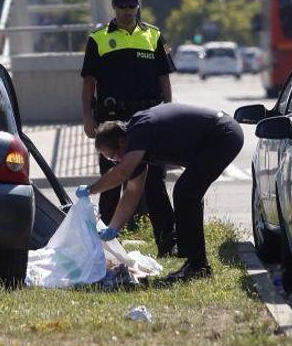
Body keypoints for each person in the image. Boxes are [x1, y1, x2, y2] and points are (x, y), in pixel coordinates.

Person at [76, 103, 244, 282]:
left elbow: (121, 173)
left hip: (222, 134)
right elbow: (133, 191)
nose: (114, 162)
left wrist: (92, 189)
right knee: (188, 192)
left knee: (185, 193)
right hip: (216, 137)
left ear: (122, 142)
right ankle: (194, 263)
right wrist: (113, 228)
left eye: (112, 156)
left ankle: (197, 265)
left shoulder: (139, 130)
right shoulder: (135, 146)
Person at [80, 0, 178, 257]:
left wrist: (168, 111)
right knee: (111, 183)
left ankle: (168, 244)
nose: (127, 10)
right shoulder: (98, 39)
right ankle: (106, 246)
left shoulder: (153, 36)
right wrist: (87, 117)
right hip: (112, 121)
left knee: (155, 184)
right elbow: (88, 83)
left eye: (131, 4)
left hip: (148, 119)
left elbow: (164, 79)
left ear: (138, 4)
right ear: (113, 5)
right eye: (121, 5)